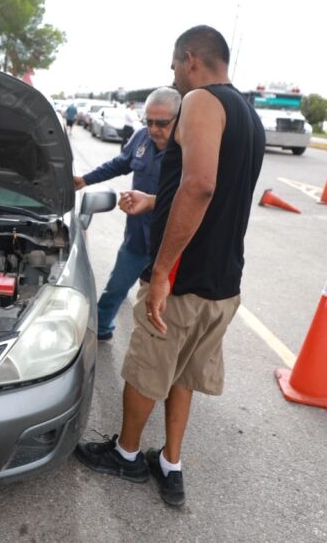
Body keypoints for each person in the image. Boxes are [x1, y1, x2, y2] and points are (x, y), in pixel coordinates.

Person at [74, 25, 265, 507]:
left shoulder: (201, 102)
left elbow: (199, 186)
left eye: (175, 65)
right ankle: (170, 462)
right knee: (183, 374)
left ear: (190, 59)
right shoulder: (249, 114)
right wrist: (156, 202)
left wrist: (160, 273)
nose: (174, 74)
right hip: (224, 282)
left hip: (183, 279)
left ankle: (126, 453)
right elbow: (217, 192)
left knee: (145, 371)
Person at [74, 87, 180, 341]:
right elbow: (120, 164)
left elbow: (196, 198)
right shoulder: (141, 138)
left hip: (171, 245)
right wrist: (85, 180)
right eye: (149, 121)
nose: (154, 129)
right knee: (116, 288)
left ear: (179, 119)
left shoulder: (190, 149)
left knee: (166, 310)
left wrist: (153, 202)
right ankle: (99, 329)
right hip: (137, 238)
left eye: (162, 123)